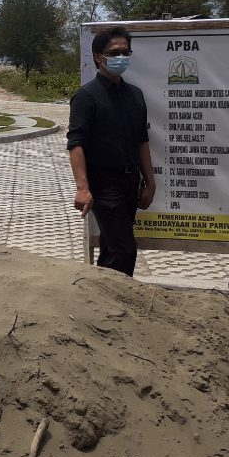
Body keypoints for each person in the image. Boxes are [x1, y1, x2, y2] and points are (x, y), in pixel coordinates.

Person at [66, 26, 156, 275]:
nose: (121, 57)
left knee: (112, 247)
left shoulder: (135, 95)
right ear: (98, 57)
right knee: (124, 249)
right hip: (104, 185)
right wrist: (83, 188)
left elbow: (142, 142)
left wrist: (150, 182)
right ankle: (119, 304)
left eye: (125, 52)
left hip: (131, 183)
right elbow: (76, 144)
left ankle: (102, 300)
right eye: (114, 52)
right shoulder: (86, 97)